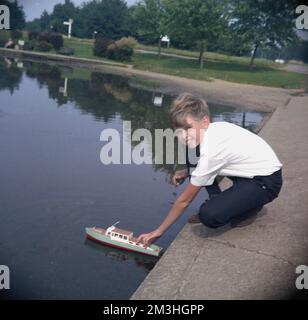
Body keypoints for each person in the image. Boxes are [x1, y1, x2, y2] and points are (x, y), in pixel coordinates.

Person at [137, 93, 283, 246]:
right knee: (192, 153)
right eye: (179, 130)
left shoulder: (212, 150)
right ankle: (220, 200)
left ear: (205, 121)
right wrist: (188, 172)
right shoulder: (211, 131)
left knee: (209, 215)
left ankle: (250, 207)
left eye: (188, 128)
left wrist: (159, 231)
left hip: (266, 182)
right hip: (249, 173)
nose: (183, 135)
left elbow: (184, 200)